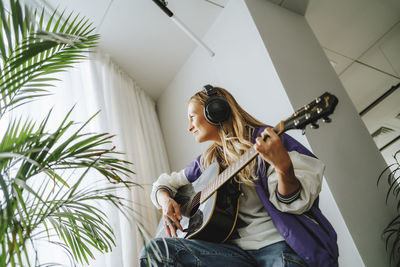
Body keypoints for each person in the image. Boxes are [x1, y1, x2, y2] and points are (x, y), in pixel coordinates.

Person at [140, 86, 338, 267]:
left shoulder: (263, 141)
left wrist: (283, 168)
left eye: (192, 117)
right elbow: (164, 183)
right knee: (156, 252)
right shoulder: (208, 161)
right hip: (230, 255)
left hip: (277, 247)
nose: (189, 127)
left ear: (215, 110)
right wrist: (165, 200)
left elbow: (293, 203)